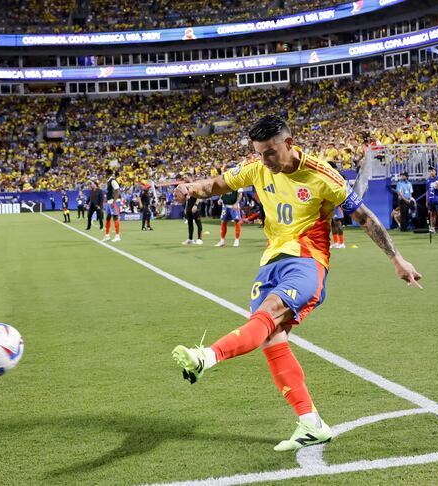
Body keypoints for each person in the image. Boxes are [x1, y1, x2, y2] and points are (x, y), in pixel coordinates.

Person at [170, 115, 422, 452]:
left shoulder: (321, 176)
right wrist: (191, 187)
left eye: (270, 152)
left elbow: (363, 217)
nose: (264, 160)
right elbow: (217, 185)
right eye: (259, 153)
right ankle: (310, 423)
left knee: (270, 315)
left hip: (307, 262)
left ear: (289, 144)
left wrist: (396, 258)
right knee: (272, 338)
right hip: (271, 262)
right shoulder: (256, 168)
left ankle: (206, 357)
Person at [103, 169, 121, 242]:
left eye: (105, 173)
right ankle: (107, 235)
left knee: (115, 217)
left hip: (114, 202)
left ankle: (117, 236)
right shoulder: (108, 181)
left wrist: (114, 202)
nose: (104, 174)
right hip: (109, 202)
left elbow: (117, 191)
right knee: (108, 218)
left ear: (108, 173)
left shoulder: (113, 181)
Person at [426, 166, 438, 234]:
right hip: (431, 199)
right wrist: (426, 201)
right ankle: (432, 229)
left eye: (432, 171)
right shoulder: (428, 181)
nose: (431, 172)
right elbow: (427, 191)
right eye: (430, 171)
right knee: (432, 214)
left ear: (435, 171)